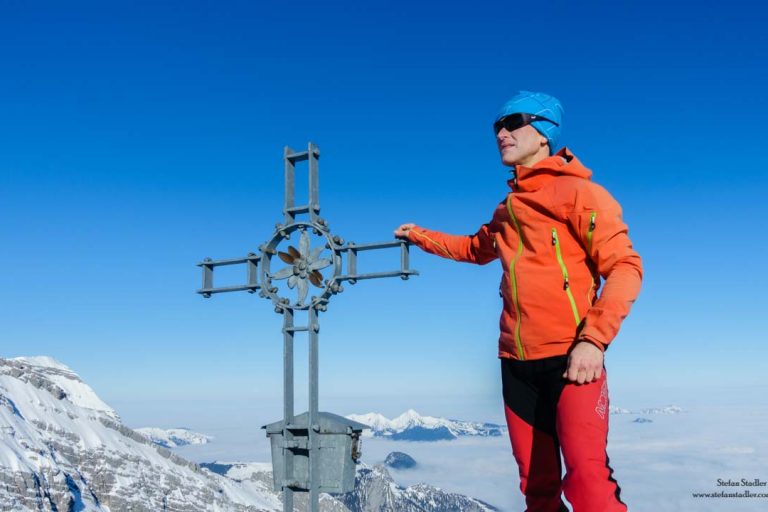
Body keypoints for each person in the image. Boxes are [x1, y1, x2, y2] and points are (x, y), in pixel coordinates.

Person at [394, 91, 642, 512]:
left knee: (588, 482)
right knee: (537, 487)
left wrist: (593, 340)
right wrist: (419, 235)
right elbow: (475, 248)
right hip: (516, 365)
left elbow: (625, 267)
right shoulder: (508, 208)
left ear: (544, 132)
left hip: (573, 359)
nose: (501, 133)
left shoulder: (582, 195)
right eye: (496, 127)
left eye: (512, 123)